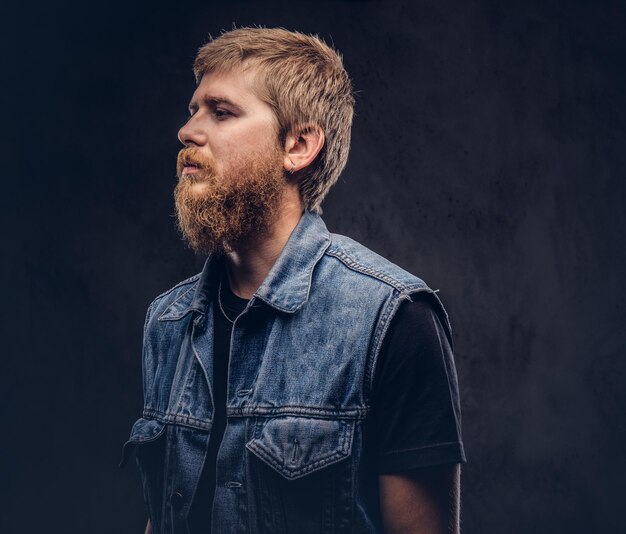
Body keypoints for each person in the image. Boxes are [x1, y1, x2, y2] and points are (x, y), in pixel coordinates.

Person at [120, 27, 466, 534]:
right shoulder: (167, 322)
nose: (188, 131)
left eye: (220, 111)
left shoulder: (394, 318)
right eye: (192, 110)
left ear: (299, 145)